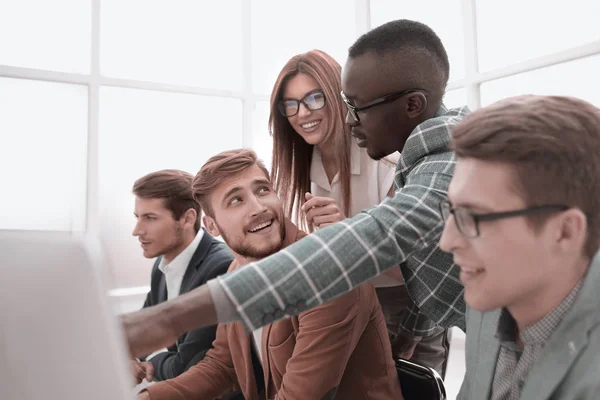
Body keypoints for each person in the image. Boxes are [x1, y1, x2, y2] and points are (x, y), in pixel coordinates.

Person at [122, 19, 469, 367]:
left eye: (354, 106)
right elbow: (423, 248)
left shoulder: (435, 163)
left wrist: (173, 317)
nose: (348, 121)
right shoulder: (400, 155)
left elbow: (387, 238)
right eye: (291, 105)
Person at [137, 149, 403, 400]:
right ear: (212, 226)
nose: (258, 207)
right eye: (236, 200)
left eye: (263, 190)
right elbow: (221, 365)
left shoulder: (330, 273)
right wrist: (148, 396)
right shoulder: (236, 272)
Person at [269, 48, 448, 371]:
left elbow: (418, 265)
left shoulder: (385, 157)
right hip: (350, 304)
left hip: (408, 308)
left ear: (340, 97)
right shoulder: (306, 163)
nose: (302, 113)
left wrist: (347, 233)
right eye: (291, 104)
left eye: (314, 98)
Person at [440, 95, 600, 399]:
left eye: (473, 216)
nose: (446, 241)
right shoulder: (490, 302)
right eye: (451, 210)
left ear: (565, 231)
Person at [130, 170, 233, 383]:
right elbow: (141, 333)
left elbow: (186, 367)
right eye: (137, 217)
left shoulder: (220, 267)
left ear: (187, 219)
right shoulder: (162, 264)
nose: (137, 230)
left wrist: (148, 360)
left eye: (150, 218)